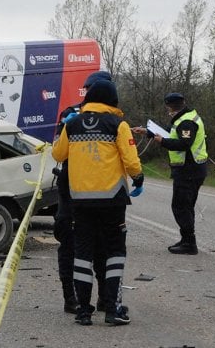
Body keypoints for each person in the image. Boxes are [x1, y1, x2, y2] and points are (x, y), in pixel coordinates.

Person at [52, 79, 144, 326]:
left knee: (82, 254)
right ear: (113, 100)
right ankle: (112, 309)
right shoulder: (118, 124)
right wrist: (138, 178)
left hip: (80, 201)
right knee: (114, 252)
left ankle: (83, 311)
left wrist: (66, 131)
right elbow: (131, 160)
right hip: (112, 201)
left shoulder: (73, 124)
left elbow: (58, 155)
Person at [52, 71, 114, 314]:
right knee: (71, 243)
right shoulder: (71, 115)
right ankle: (72, 296)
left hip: (100, 193)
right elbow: (58, 151)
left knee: (102, 246)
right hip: (75, 192)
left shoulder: (114, 118)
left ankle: (102, 297)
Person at [131, 93, 207, 255]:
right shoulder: (184, 118)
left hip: (189, 170)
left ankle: (189, 243)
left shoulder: (186, 122)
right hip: (191, 169)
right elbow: (170, 132)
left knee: (181, 206)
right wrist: (147, 132)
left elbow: (184, 143)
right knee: (186, 206)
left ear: (171, 107)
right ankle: (187, 239)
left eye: (168, 108)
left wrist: (162, 142)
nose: (168, 111)